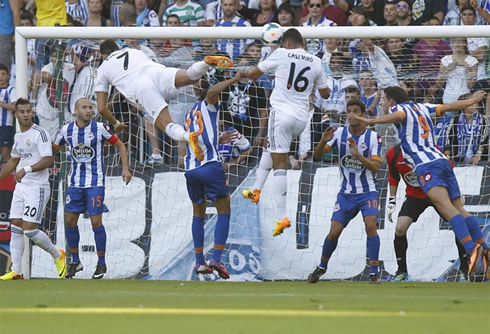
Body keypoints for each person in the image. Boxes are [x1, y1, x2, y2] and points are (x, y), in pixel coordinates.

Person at [352, 86, 490, 278]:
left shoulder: (396, 109)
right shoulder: (422, 107)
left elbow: (399, 116)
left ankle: (471, 249)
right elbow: (450, 106)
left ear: (392, 100)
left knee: (447, 209)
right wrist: (471, 100)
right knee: (460, 209)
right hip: (442, 161)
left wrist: (371, 120)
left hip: (427, 166)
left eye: (384, 100)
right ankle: (484, 247)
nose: (383, 103)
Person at [242, 28, 330, 237]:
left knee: (279, 162)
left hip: (281, 114)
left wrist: (256, 70)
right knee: (269, 146)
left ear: (287, 43)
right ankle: (255, 190)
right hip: (301, 119)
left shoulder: (281, 53)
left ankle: (281, 217)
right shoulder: (316, 61)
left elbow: (254, 74)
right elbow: (325, 94)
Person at [94, 40, 233, 163]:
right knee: (189, 76)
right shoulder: (133, 51)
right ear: (117, 48)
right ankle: (205, 63)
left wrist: (115, 123)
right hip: (157, 72)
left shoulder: (103, 68)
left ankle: (188, 136)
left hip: (142, 86)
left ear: (103, 55)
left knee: (167, 124)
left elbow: (101, 108)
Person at [52, 98, 131, 279]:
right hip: (75, 184)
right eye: (85, 107)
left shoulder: (100, 128)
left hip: (95, 183)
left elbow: (120, 145)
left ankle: (101, 263)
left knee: (96, 222)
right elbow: (54, 148)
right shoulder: (66, 130)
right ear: (75, 110)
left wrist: (125, 168)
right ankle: (76, 261)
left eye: (91, 107)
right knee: (70, 221)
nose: (89, 110)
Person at [308, 99, 383, 284]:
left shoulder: (374, 137)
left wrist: (357, 154)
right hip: (346, 194)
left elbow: (375, 168)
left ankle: (374, 271)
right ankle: (321, 267)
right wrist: (323, 142)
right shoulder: (338, 133)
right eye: (349, 111)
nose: (351, 115)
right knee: (334, 231)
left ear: (363, 114)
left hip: (368, 192)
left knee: (371, 225)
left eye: (355, 111)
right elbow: (317, 157)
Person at [185, 71, 246, 279]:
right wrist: (236, 79)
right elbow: (212, 91)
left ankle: (200, 262)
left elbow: (198, 138)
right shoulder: (208, 102)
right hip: (210, 165)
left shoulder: (191, 112)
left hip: (190, 168)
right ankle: (216, 258)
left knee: (198, 213)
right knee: (224, 210)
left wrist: (217, 140)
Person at [0, 98, 67, 280]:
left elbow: (48, 160)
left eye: (29, 111)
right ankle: (17, 270)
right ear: (16, 114)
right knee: (15, 225)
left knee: (29, 230)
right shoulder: (18, 136)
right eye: (22, 112)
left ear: (32, 112)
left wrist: (26, 169)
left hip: (37, 187)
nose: (26, 114)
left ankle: (57, 255)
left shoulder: (40, 133)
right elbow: (14, 159)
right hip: (21, 187)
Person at [386, 144, 470, 282]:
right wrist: (392, 199)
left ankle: (464, 270)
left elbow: (447, 169)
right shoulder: (392, 153)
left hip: (437, 193)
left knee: (458, 224)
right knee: (400, 228)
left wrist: (456, 192)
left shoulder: (430, 148)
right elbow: (393, 177)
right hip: (414, 196)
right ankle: (402, 272)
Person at [0, 63, 16, 161]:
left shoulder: (11, 90)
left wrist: (1, 104)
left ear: (8, 76)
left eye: (3, 74)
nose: (0, 77)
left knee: (6, 154)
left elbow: (15, 107)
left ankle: (7, 175)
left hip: (5, 126)